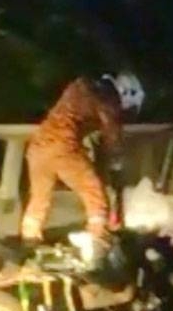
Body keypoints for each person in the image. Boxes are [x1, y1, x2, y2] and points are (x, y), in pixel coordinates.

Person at [20, 72, 145, 249]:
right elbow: (112, 135)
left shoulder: (82, 87)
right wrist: (116, 159)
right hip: (63, 147)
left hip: (37, 148)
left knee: (39, 199)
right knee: (93, 192)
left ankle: (28, 242)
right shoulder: (106, 102)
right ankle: (97, 240)